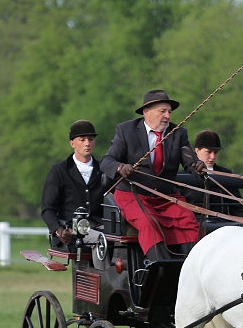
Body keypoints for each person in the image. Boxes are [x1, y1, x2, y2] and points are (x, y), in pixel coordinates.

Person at [100, 89, 207, 261]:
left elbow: (190, 163)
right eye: (162, 111)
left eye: (169, 112)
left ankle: (193, 267)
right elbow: (106, 161)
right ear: (146, 112)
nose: (167, 116)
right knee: (148, 223)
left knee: (189, 221)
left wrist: (198, 167)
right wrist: (121, 167)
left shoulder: (179, 133)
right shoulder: (126, 131)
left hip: (166, 197)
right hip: (132, 195)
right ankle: (160, 269)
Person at [41, 120, 106, 254]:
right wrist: (58, 230)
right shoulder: (59, 171)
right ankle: (103, 274)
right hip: (72, 229)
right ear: (72, 143)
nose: (87, 143)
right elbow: (47, 209)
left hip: (101, 227)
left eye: (91, 139)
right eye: (82, 140)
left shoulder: (103, 170)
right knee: (102, 240)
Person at [180, 129, 243, 224]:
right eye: (208, 152)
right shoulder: (182, 176)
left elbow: (237, 207)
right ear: (197, 151)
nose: (212, 157)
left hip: (221, 228)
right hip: (193, 228)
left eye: (216, 152)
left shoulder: (226, 174)